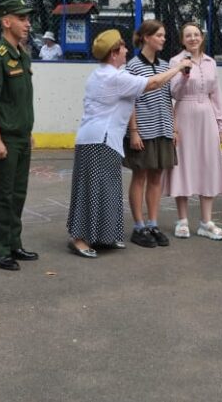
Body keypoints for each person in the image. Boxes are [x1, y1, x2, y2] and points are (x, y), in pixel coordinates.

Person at [66, 30, 189, 258]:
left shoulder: (107, 73)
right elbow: (152, 83)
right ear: (114, 53)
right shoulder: (113, 77)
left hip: (105, 139)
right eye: (122, 48)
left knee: (108, 190)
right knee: (92, 190)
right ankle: (79, 239)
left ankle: (103, 236)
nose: (125, 51)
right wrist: (179, 67)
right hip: (99, 139)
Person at [0, 0, 38, 271]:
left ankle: (14, 242)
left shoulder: (21, 54)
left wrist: (28, 132)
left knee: (17, 193)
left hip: (21, 136)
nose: (27, 24)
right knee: (2, 194)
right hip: (4, 137)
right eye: (22, 18)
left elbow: (21, 100)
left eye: (27, 19)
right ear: (6, 21)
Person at [166, 23, 222, 240]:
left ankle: (206, 221)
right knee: (183, 165)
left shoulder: (211, 63)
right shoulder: (176, 61)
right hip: (184, 113)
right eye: (188, 35)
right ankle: (182, 220)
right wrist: (184, 75)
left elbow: (217, 94)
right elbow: (174, 92)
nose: (193, 38)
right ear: (182, 40)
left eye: (196, 34)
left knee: (208, 164)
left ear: (202, 37)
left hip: (207, 117)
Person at [124, 20, 176, 248]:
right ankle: (139, 226)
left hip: (163, 127)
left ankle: (153, 223)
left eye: (164, 35)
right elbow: (130, 101)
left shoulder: (165, 65)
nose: (163, 39)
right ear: (146, 37)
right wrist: (133, 131)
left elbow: (168, 98)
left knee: (156, 177)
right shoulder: (133, 66)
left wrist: (173, 127)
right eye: (159, 35)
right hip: (143, 130)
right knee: (140, 175)